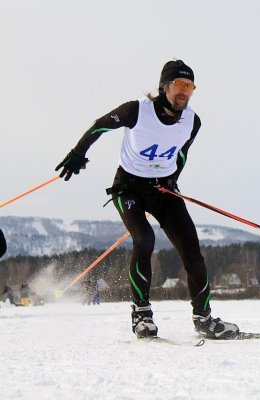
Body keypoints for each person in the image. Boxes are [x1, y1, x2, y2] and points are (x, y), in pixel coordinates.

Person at [55, 59, 239, 339]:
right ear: (164, 86)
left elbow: (182, 152)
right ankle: (141, 315)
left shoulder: (193, 121)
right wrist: (78, 153)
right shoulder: (136, 111)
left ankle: (204, 318)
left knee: (192, 249)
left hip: (163, 189)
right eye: (179, 84)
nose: (184, 92)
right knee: (144, 239)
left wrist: (172, 179)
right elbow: (99, 126)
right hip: (128, 188)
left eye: (189, 86)